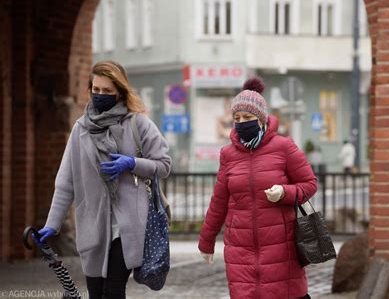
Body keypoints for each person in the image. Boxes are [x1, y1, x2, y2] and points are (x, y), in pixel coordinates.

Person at [34, 61, 171, 299]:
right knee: (96, 292)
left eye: (107, 91)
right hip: (92, 225)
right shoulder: (81, 130)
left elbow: (164, 165)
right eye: (96, 90)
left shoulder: (138, 124)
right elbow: (66, 183)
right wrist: (52, 224)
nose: (100, 95)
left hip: (129, 226)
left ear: (119, 91)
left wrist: (132, 164)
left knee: (113, 290)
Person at [198, 78, 317, 299]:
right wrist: (206, 240)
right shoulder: (228, 154)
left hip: (281, 246)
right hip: (239, 248)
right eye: (237, 118)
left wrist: (284, 193)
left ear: (261, 119)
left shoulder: (284, 147)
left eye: (248, 117)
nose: (242, 122)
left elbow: (309, 184)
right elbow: (219, 201)